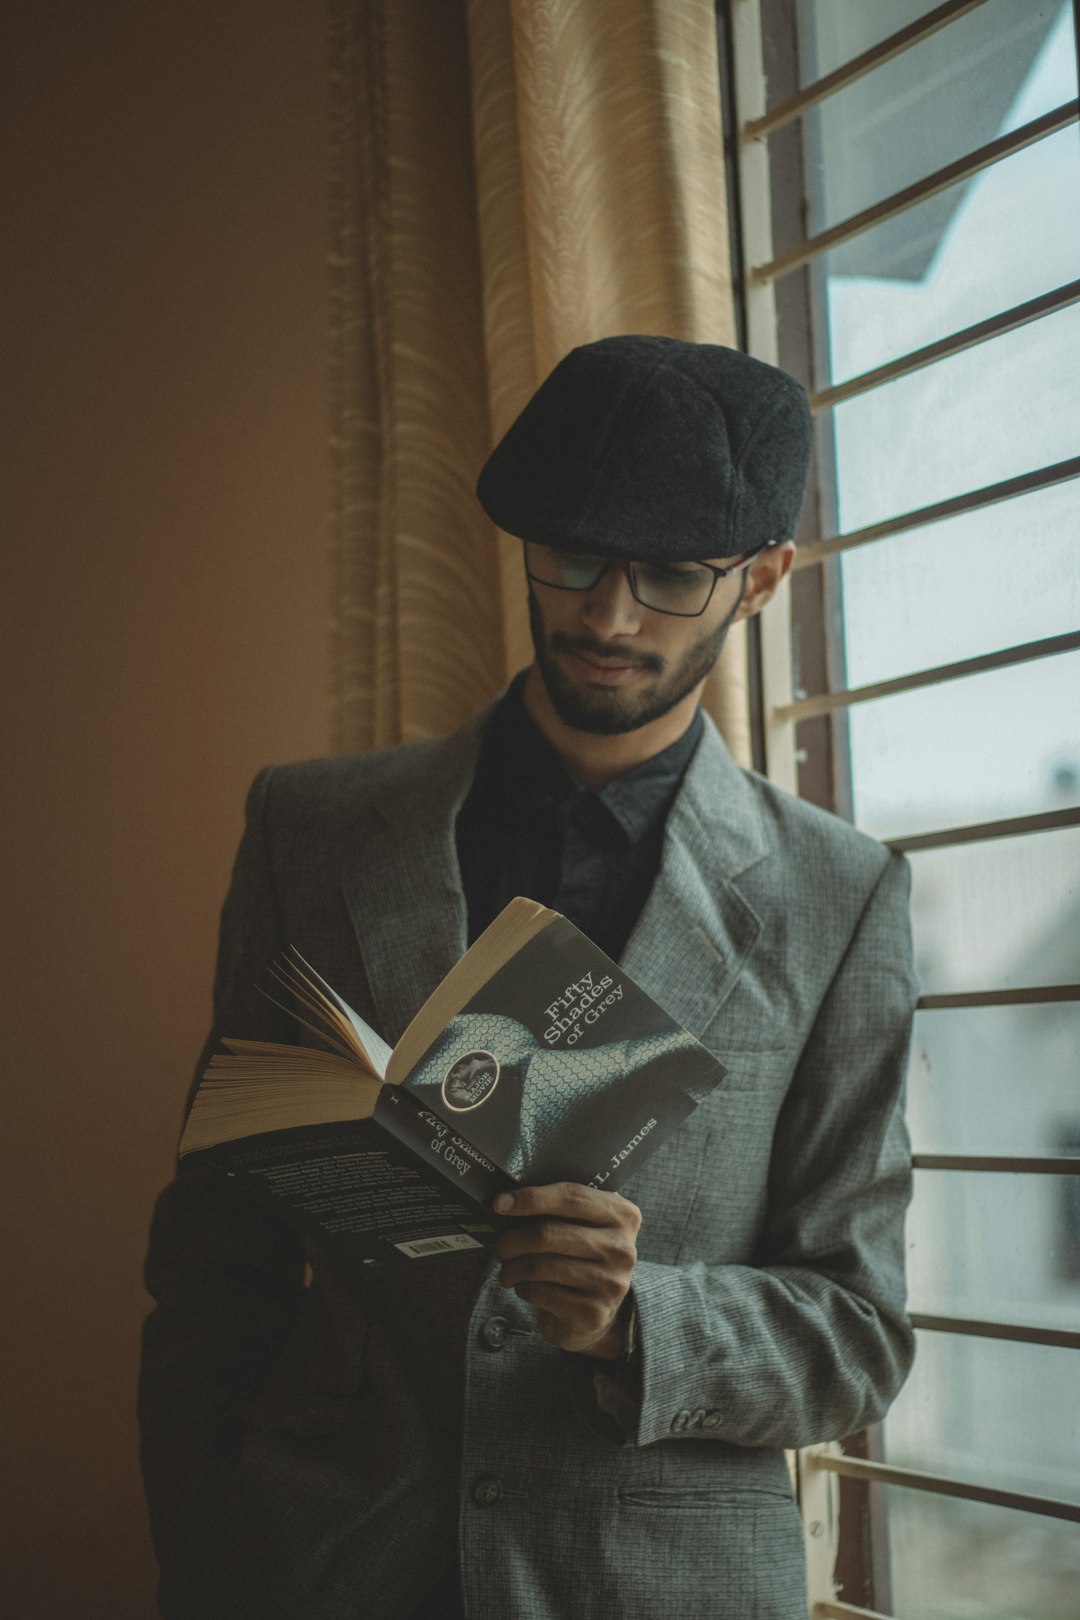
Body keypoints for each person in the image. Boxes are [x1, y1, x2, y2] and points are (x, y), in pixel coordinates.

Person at [139, 335, 918, 1620]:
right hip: (320, 1559)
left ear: (764, 577)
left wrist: (642, 1322)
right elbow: (214, 1242)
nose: (606, 617)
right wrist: (203, 1534)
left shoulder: (838, 898)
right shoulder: (312, 828)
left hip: (653, 1582)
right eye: (569, 557)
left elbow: (860, 1335)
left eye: (670, 576)